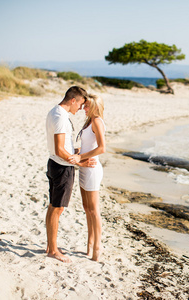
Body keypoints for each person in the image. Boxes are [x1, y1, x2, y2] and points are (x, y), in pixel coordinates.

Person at [45, 86, 95, 263]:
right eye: (80, 104)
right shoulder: (60, 117)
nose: (80, 108)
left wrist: (75, 150)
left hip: (54, 164)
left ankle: (51, 246)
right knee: (57, 208)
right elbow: (59, 149)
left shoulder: (55, 112)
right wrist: (80, 162)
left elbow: (61, 146)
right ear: (73, 100)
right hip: (62, 168)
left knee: (53, 206)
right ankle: (53, 250)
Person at [68, 94, 106, 261]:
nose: (84, 108)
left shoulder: (97, 121)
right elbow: (87, 145)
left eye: (87, 106)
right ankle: (89, 243)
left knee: (94, 210)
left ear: (95, 106)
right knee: (86, 208)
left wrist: (80, 157)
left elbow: (102, 148)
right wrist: (78, 152)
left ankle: (97, 247)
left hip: (91, 168)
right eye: (84, 105)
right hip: (84, 167)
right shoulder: (89, 122)